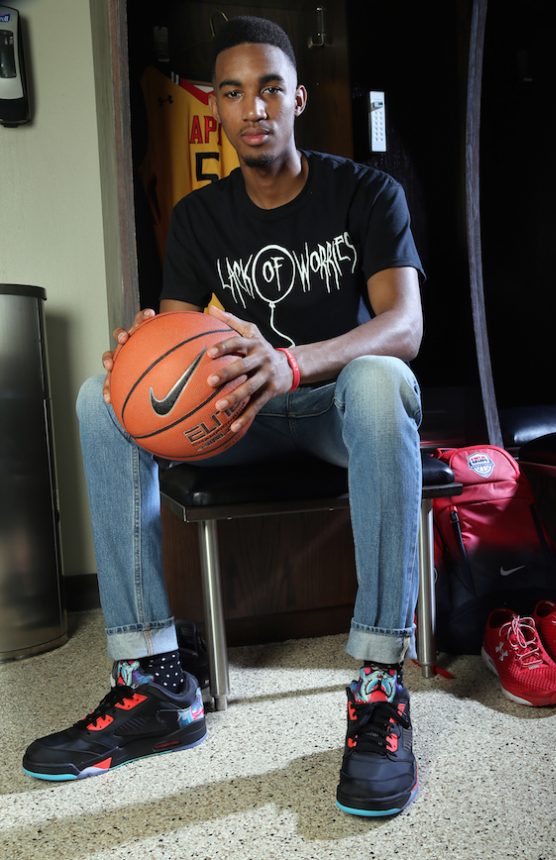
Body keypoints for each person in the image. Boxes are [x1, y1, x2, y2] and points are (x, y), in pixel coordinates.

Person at [22, 16, 425, 817]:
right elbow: (171, 344)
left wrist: (292, 362)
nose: (254, 109)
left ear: (298, 98)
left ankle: (380, 684)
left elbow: (405, 327)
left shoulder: (367, 192)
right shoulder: (201, 215)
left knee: (380, 380)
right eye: (233, 93)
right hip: (236, 417)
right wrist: (138, 353)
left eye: (270, 88)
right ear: (219, 110)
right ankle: (154, 688)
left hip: (330, 408)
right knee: (99, 404)